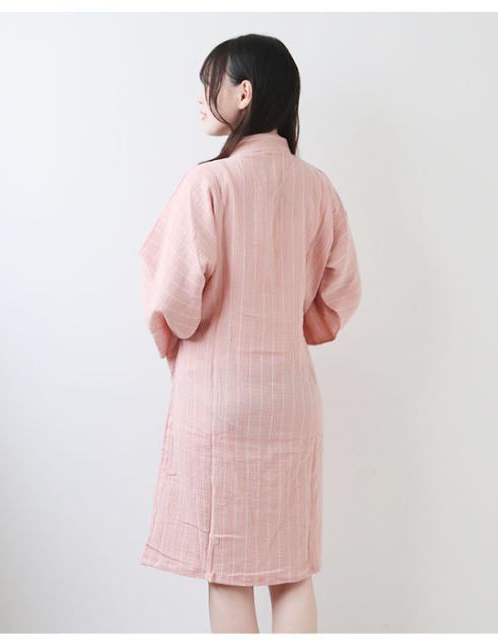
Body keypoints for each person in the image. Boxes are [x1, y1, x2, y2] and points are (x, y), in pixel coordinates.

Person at [138, 33, 362, 633]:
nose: (200, 97)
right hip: (291, 402)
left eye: (209, 83)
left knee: (228, 569)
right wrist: (293, 324)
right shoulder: (318, 188)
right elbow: (339, 297)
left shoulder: (208, 184)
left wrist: (186, 333)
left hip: (219, 404)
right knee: (293, 570)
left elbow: (173, 303)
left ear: (244, 92)